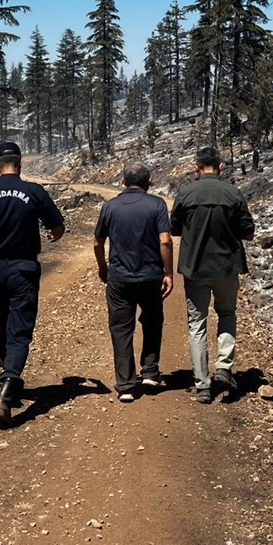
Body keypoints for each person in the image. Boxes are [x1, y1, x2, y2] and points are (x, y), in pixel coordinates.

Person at [0, 141, 65, 428]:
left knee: (5, 319)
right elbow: (57, 227)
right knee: (20, 328)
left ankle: (6, 368)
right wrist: (54, 236)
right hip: (24, 266)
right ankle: (9, 383)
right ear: (20, 164)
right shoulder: (34, 192)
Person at [169, 147, 256, 404]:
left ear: (196, 167)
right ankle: (223, 367)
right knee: (227, 314)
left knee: (197, 323)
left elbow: (174, 229)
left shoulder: (185, 193)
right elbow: (248, 232)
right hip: (227, 268)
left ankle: (202, 385)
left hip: (195, 268)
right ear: (220, 167)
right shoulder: (233, 193)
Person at [93, 161, 174, 402]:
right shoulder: (157, 204)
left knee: (120, 328)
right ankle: (150, 371)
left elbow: (97, 242)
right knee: (152, 321)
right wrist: (168, 273)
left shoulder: (110, 207)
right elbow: (166, 241)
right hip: (151, 276)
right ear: (149, 182)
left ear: (123, 181)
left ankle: (125, 385)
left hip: (119, 277)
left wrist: (102, 268)